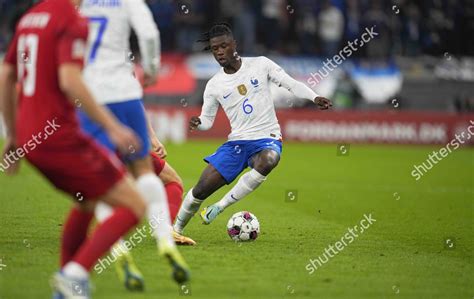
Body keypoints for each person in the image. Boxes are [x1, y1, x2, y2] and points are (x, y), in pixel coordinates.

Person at [0, 0, 154, 297]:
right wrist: (112, 126)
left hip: (33, 139)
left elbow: (6, 75)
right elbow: (70, 80)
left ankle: (66, 288)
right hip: (61, 138)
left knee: (87, 202)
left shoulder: (31, 17)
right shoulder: (72, 19)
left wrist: (14, 135)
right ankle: (74, 274)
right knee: (135, 204)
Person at [172, 23, 332, 242]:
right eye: (214, 48)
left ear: (234, 44)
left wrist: (314, 97)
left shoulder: (261, 65)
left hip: (267, 138)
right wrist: (198, 123)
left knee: (269, 159)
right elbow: (207, 121)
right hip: (237, 143)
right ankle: (175, 231)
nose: (219, 52)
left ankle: (220, 206)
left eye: (223, 46)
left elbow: (291, 84)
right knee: (200, 190)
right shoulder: (214, 85)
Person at [78, 0, 192, 291]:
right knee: (152, 174)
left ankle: (116, 248)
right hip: (125, 94)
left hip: (90, 98)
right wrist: (152, 68)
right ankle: (166, 240)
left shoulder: (76, 5)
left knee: (104, 181)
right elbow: (150, 34)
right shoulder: (128, 2)